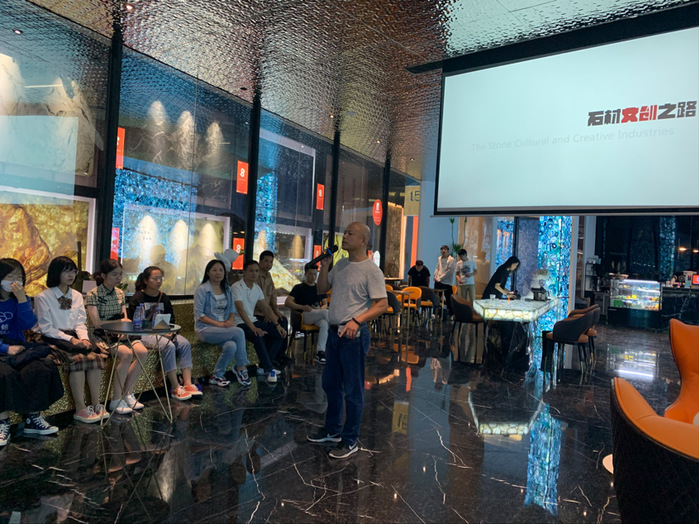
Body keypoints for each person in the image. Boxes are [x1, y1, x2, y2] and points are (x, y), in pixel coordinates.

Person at [307, 222, 387, 459]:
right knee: (330, 384)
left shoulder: (371, 271)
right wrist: (325, 267)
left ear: (363, 241)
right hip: (334, 333)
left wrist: (357, 320)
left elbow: (382, 304)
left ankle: (350, 440)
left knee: (353, 390)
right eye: (345, 233)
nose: (345, 236)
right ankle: (332, 430)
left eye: (350, 233)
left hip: (353, 335)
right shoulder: (341, 264)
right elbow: (322, 289)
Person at [35, 256, 109, 424]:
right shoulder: (43, 297)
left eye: (73, 271)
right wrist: (71, 339)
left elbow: (80, 322)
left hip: (74, 338)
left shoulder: (76, 295)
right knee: (77, 359)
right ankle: (80, 408)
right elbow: (46, 328)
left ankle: (96, 404)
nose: (71, 275)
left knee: (95, 357)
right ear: (56, 273)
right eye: (66, 271)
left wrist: (84, 339)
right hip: (52, 338)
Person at [0, 258, 64, 446]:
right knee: (3, 374)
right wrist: (5, 348)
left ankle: (32, 418)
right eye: (10, 277)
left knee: (39, 369)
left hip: (17, 347)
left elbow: (28, 324)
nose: (15, 281)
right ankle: (3, 422)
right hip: (4, 348)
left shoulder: (20, 299)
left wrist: (22, 300)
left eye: (19, 277)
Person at [85, 259, 148, 415]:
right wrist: (119, 323)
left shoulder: (120, 293)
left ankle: (128, 393)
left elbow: (124, 317)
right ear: (103, 275)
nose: (118, 278)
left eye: (120, 274)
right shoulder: (93, 294)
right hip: (102, 335)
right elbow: (97, 323)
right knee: (126, 353)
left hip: (119, 333)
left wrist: (122, 328)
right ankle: (116, 399)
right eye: (114, 274)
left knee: (143, 352)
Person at [128, 266, 199, 400]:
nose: (159, 281)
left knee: (184, 343)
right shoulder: (137, 298)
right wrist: (159, 333)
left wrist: (170, 332)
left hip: (164, 331)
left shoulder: (164, 297)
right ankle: (175, 387)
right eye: (155, 278)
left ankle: (188, 383)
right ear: (145, 280)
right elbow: (135, 323)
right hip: (144, 334)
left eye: (161, 278)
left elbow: (171, 319)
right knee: (169, 346)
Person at [193, 254, 250, 388]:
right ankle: (241, 367)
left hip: (223, 328)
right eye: (214, 270)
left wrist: (230, 320)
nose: (218, 273)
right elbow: (199, 315)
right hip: (205, 329)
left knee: (231, 346)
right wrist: (219, 324)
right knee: (239, 332)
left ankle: (217, 376)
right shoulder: (202, 289)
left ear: (225, 273)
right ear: (208, 272)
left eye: (221, 270)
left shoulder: (227, 289)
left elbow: (232, 310)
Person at [232, 260, 287, 383]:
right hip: (238, 323)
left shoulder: (256, 288)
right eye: (251, 271)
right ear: (244, 272)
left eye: (256, 271)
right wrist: (253, 328)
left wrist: (277, 325)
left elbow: (266, 307)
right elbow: (240, 309)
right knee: (257, 335)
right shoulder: (236, 287)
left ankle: (263, 366)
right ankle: (269, 369)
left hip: (252, 320)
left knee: (280, 333)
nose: (254, 273)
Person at [284, 263, 329, 363]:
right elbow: (287, 302)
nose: (313, 277)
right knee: (326, 313)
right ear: (306, 274)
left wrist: (319, 308)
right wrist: (302, 307)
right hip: (303, 316)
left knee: (324, 324)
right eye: (310, 274)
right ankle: (339, 329)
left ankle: (320, 352)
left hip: (317, 313)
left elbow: (325, 304)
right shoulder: (299, 287)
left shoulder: (319, 288)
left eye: (315, 274)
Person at [255, 250, 291, 364]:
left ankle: (280, 354)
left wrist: (276, 311)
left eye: (271, 262)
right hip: (257, 313)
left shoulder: (268, 276)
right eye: (266, 261)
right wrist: (269, 315)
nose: (268, 264)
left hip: (268, 311)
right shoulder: (256, 276)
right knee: (275, 328)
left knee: (283, 320)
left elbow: (273, 295)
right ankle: (269, 360)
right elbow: (257, 300)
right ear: (260, 261)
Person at [434, 245, 455, 316]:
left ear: (448, 251)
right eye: (442, 249)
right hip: (438, 282)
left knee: (449, 299)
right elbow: (437, 268)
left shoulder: (451, 259)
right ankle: (435, 313)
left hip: (447, 283)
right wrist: (435, 276)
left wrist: (440, 278)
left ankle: (451, 314)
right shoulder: (439, 258)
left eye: (445, 249)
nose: (443, 251)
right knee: (436, 298)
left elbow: (449, 272)